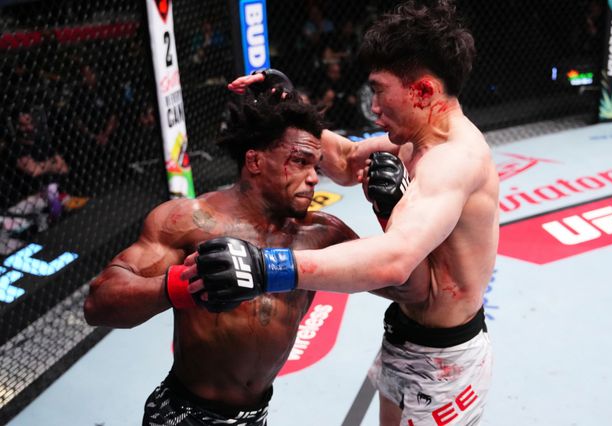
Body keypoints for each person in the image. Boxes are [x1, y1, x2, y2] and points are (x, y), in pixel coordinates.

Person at [200, 1, 499, 425]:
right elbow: (344, 161)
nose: (373, 107)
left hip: (446, 362)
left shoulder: (455, 160)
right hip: (405, 334)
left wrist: (268, 267)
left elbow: (395, 260)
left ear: (423, 91)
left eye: (379, 90)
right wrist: (290, 104)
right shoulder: (415, 139)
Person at [82, 90, 358, 425]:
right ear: (254, 161)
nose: (314, 177)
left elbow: (398, 282)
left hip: (255, 416)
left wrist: (388, 209)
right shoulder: (190, 221)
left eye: (316, 165)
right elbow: (98, 303)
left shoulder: (321, 233)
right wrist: (185, 285)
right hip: (184, 414)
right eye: (300, 162)